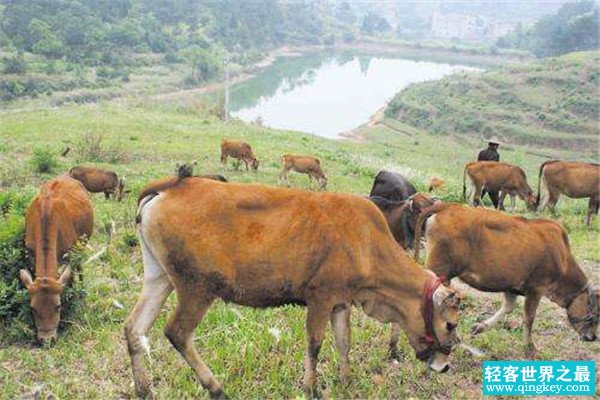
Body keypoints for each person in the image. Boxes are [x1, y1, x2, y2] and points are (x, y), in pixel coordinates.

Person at [477, 137, 501, 207]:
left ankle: (473, 207)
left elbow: (478, 164)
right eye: (497, 146)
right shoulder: (496, 155)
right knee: (495, 198)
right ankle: (498, 209)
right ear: (495, 145)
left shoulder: (482, 152)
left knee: (479, 195)